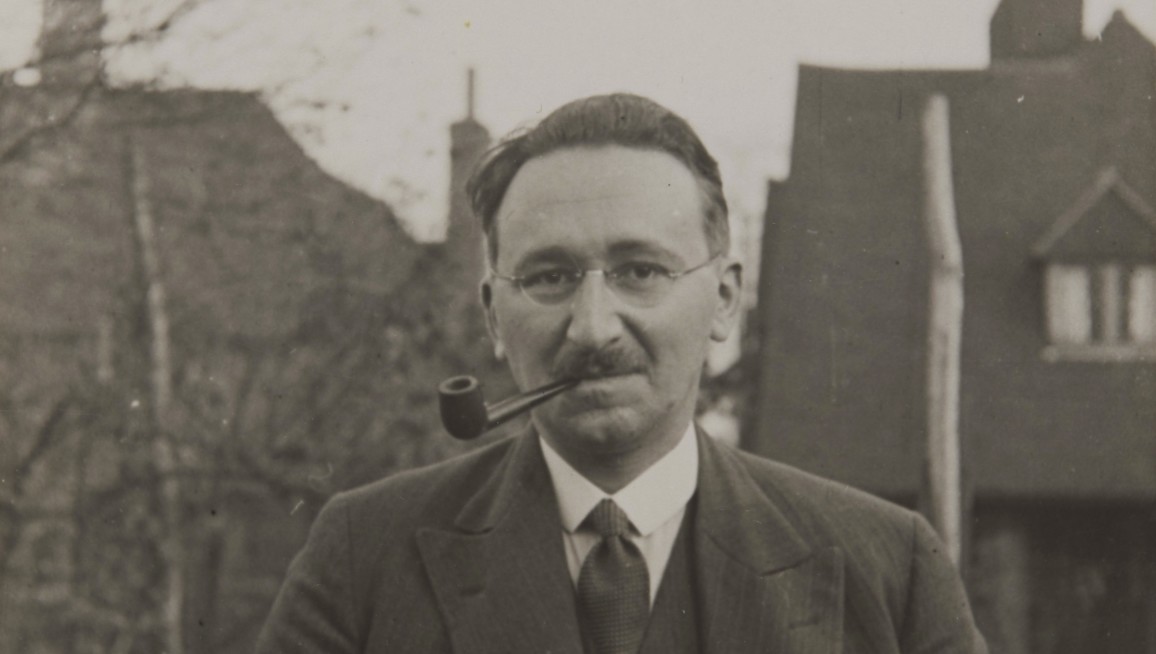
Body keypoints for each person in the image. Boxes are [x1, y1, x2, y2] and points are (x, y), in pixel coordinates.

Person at [256, 93, 987, 653]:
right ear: (493, 316)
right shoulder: (362, 557)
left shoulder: (890, 571)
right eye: (549, 277)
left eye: (640, 271)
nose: (593, 327)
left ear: (724, 300)